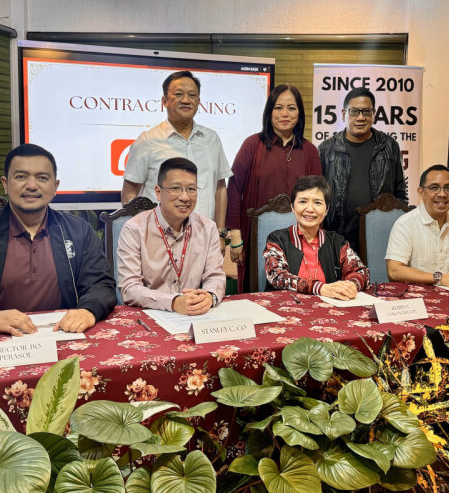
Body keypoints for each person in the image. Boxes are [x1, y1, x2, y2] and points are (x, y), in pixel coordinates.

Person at [0, 144, 116, 335]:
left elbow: (101, 284)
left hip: (62, 335)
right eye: (21, 177)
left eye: (42, 178)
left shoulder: (78, 231)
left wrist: (88, 310)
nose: (32, 186)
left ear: (55, 186)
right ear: (5, 184)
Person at [225, 84, 322, 292]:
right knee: (255, 295)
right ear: (269, 112)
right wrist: (235, 237)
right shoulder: (252, 145)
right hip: (255, 239)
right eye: (278, 108)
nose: (284, 114)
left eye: (291, 108)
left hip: (298, 240)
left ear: (300, 113)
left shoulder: (310, 151)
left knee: (298, 299)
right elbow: (233, 190)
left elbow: (318, 198)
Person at [121, 70, 232, 231]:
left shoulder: (211, 138)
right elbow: (130, 192)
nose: (186, 100)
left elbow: (220, 187)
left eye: (192, 95)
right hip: (160, 239)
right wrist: (141, 234)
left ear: (199, 101)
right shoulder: (148, 141)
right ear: (165, 101)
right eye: (179, 94)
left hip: (205, 237)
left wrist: (220, 232)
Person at [117, 157, 226, 314]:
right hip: (150, 315)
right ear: (158, 192)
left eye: (191, 189)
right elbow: (129, 288)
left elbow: (215, 276)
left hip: (193, 315)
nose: (184, 197)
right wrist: (173, 302)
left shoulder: (207, 228)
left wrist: (209, 297)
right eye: (175, 188)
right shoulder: (135, 229)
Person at [318, 87, 408, 252]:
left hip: (380, 237)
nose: (360, 117)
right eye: (354, 112)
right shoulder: (326, 149)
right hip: (336, 239)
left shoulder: (389, 146)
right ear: (344, 114)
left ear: (374, 114)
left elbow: (400, 194)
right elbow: (317, 197)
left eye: (366, 112)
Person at [263, 175, 369, 298]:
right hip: (286, 309)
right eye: (303, 201)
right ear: (292, 206)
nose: (310, 209)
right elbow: (277, 276)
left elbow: (362, 272)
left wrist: (351, 285)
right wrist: (319, 288)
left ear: (326, 209)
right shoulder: (277, 239)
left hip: (329, 310)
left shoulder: (336, 241)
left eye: (317, 203)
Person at [385, 164, 449, 288]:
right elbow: (394, 271)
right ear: (421, 193)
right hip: (416, 295)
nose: (442, 194)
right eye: (434, 188)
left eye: (448, 188)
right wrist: (440, 278)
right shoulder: (405, 224)